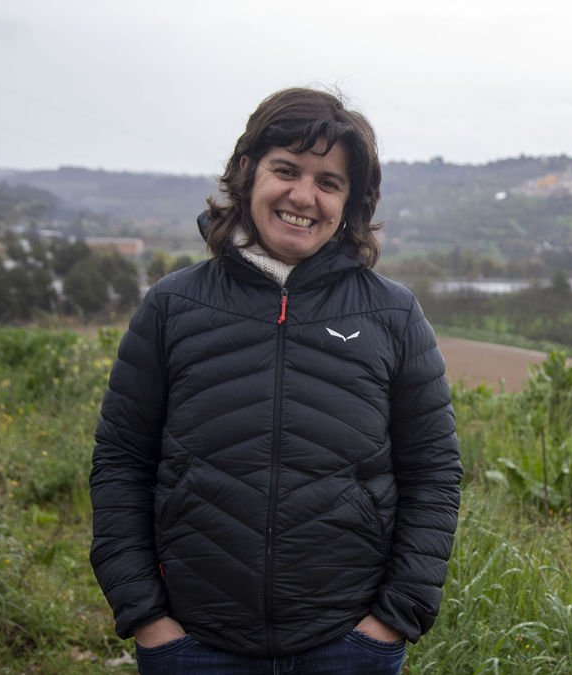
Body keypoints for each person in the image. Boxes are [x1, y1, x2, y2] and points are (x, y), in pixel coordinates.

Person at [89, 87, 462, 674]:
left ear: (350, 201)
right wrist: (146, 616)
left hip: (349, 645)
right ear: (246, 171)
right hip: (194, 645)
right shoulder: (172, 306)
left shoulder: (392, 315)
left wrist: (395, 617)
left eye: (328, 182)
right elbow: (120, 460)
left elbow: (434, 470)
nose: (303, 197)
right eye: (286, 170)